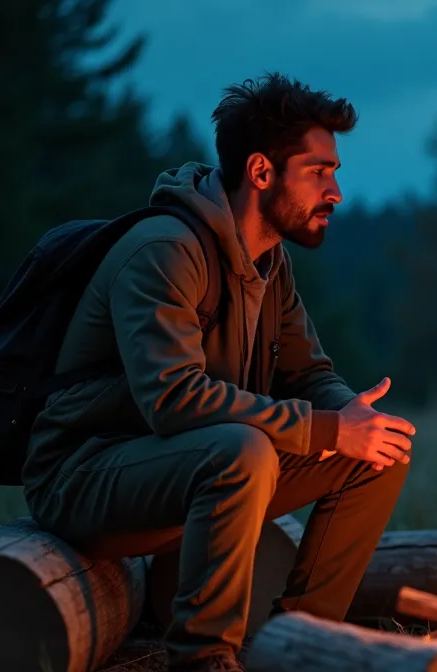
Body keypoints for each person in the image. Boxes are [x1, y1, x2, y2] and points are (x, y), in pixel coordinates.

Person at [21, 73, 415, 672]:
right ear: (261, 172)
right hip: (87, 476)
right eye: (319, 171)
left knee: (380, 450)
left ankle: (298, 647)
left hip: (184, 470)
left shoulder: (269, 260)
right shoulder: (166, 250)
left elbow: (310, 373)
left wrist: (353, 418)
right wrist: (330, 429)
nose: (336, 191)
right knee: (244, 452)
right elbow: (173, 400)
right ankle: (204, 658)